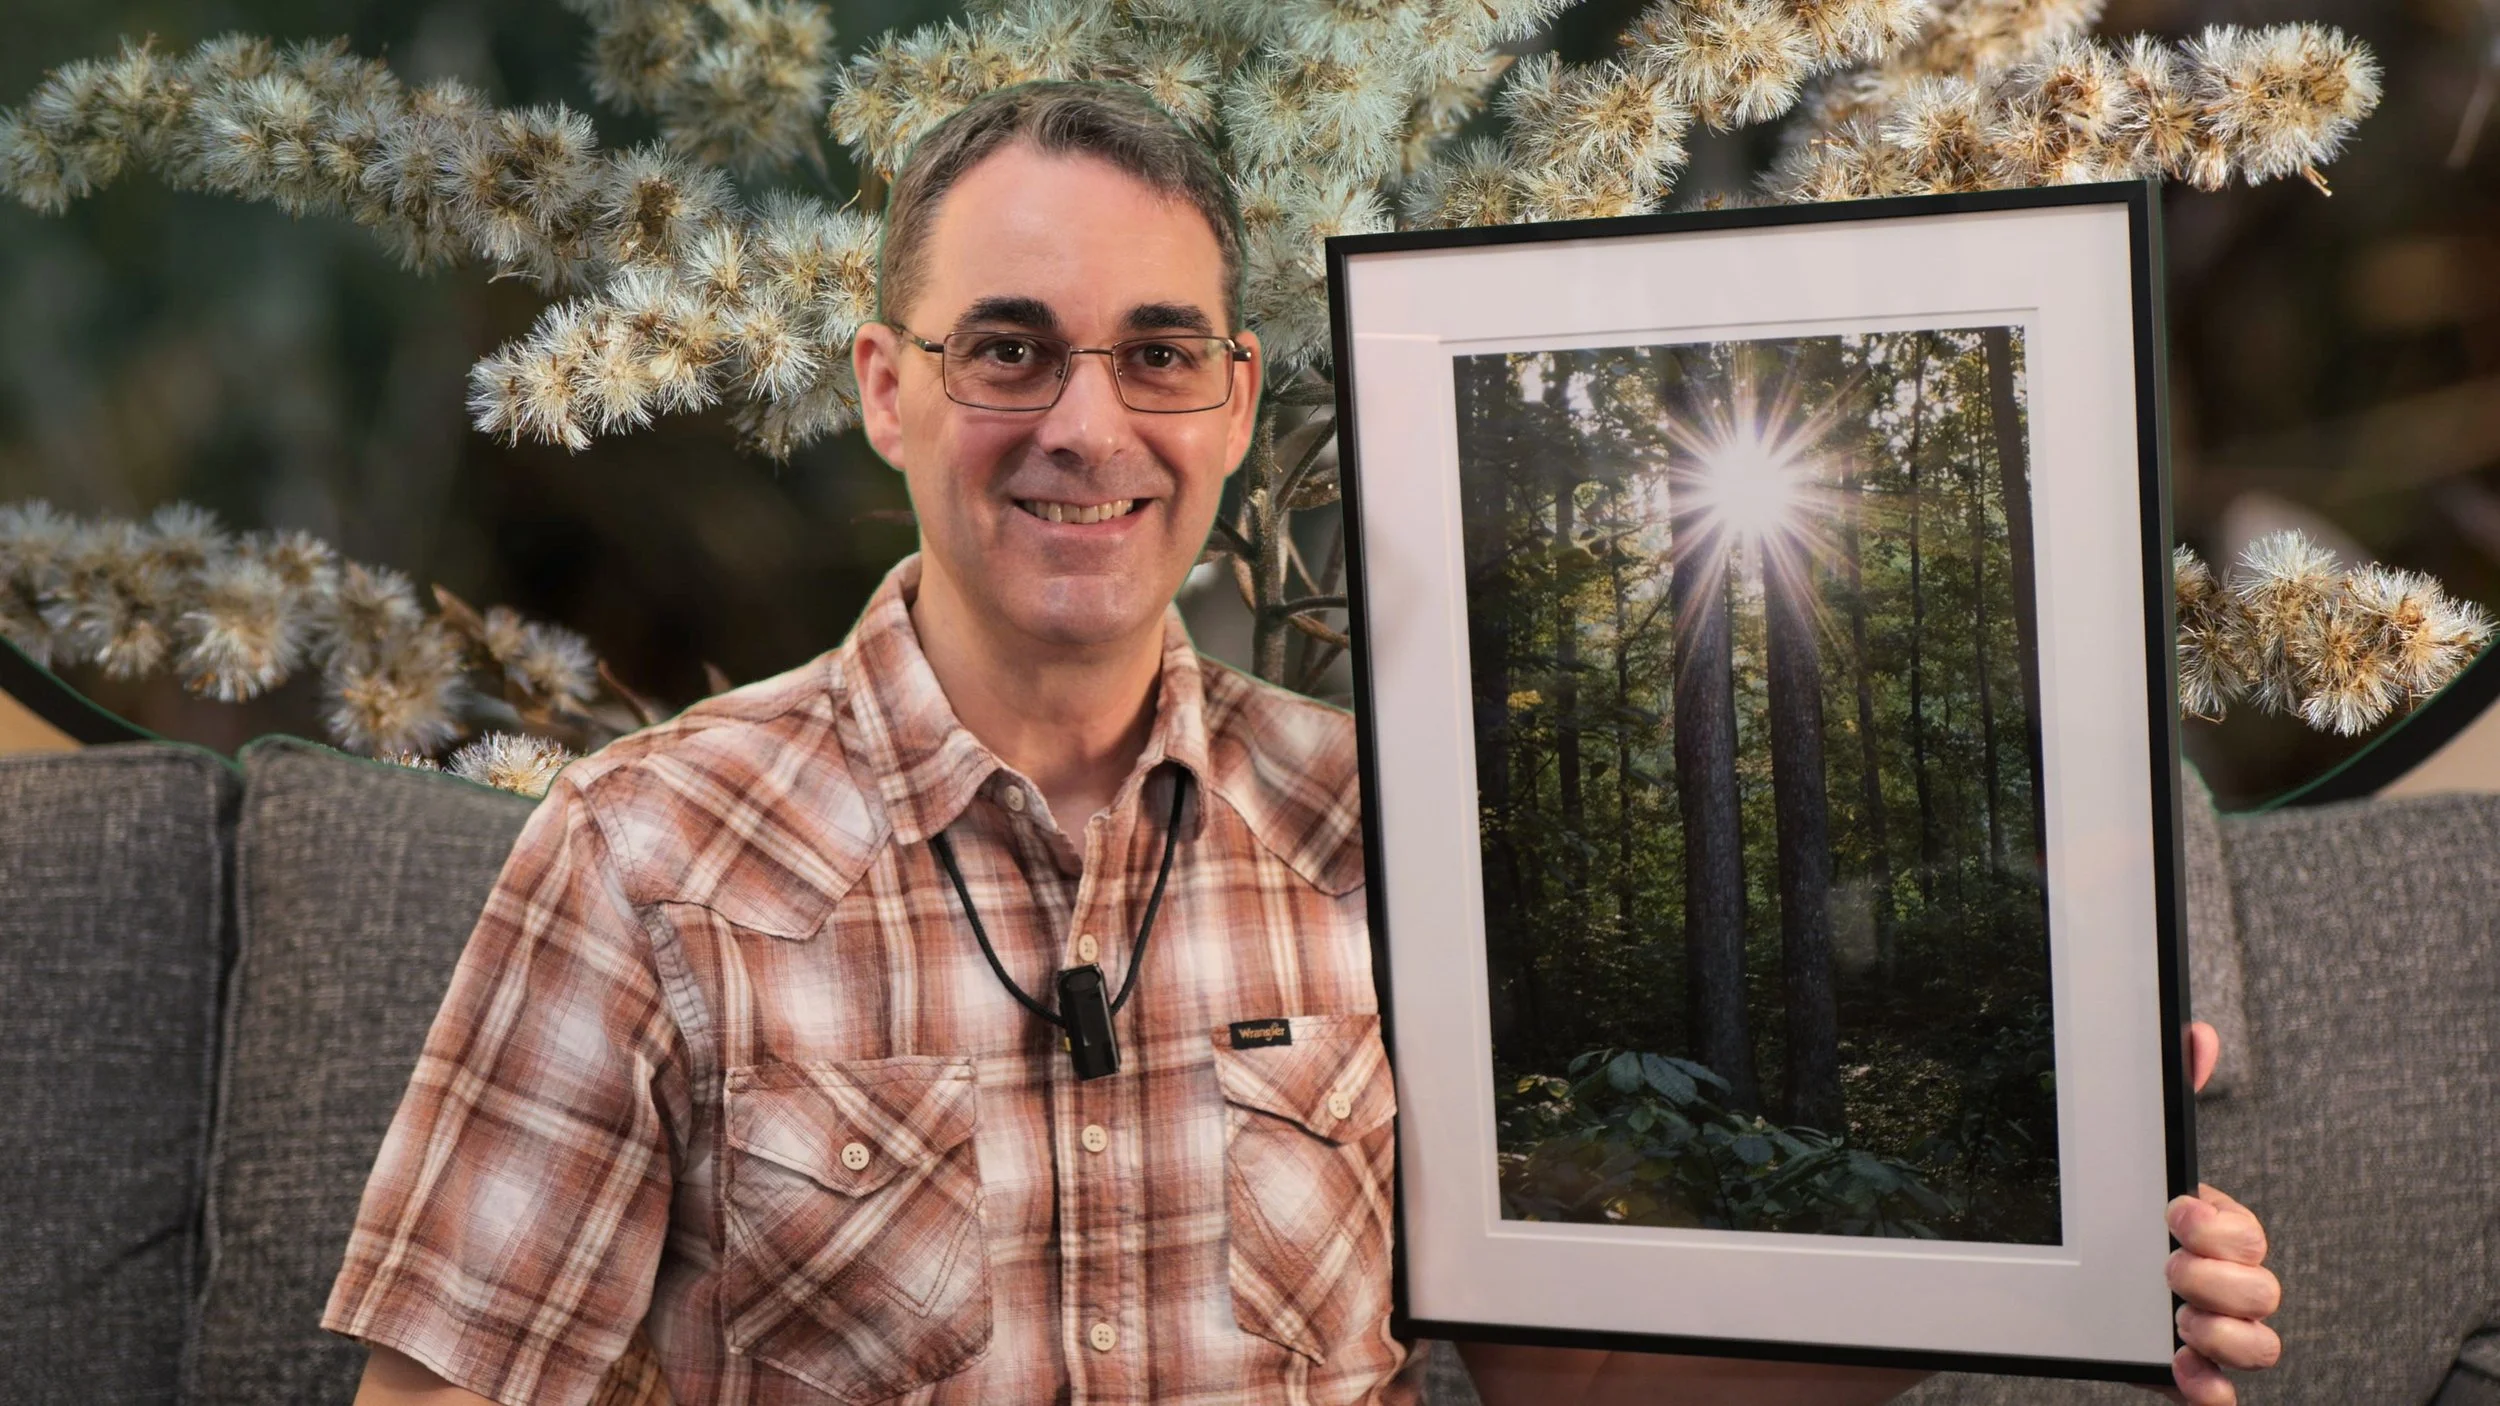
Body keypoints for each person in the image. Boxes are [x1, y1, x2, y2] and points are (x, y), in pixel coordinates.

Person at [328, 81, 2281, 1406]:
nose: (1085, 427)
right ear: (886, 391)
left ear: (1238, 402)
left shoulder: (1392, 823)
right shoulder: (638, 855)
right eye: (1006, 349)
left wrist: (2063, 1251)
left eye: (1157, 353)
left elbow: (1577, 1370)